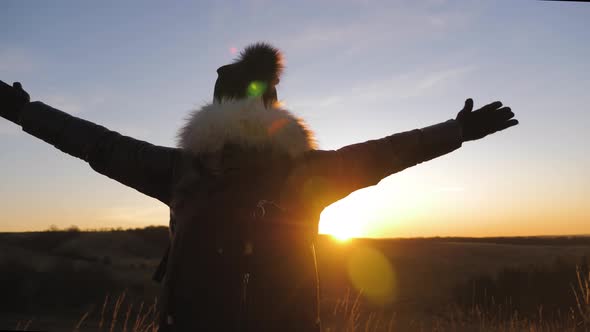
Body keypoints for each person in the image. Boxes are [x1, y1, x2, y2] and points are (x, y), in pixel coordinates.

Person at [0, 42, 518, 331]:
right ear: (276, 111)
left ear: (214, 109)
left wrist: (24, 111)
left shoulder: (182, 171)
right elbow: (387, 153)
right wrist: (456, 132)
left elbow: (96, 143)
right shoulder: (308, 173)